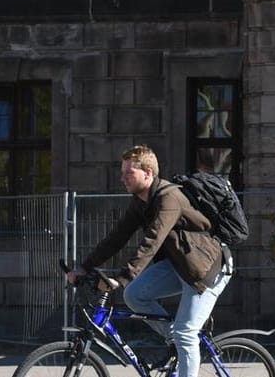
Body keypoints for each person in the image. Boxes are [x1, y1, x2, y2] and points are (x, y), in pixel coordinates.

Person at [68, 144, 231, 377]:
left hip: (207, 270)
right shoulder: (140, 202)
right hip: (180, 266)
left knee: (186, 332)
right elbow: (117, 237)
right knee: (134, 295)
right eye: (122, 172)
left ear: (148, 173)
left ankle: (181, 342)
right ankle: (174, 340)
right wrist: (84, 267)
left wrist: (122, 277)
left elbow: (151, 242)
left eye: (128, 172)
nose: (122, 177)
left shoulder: (169, 198)